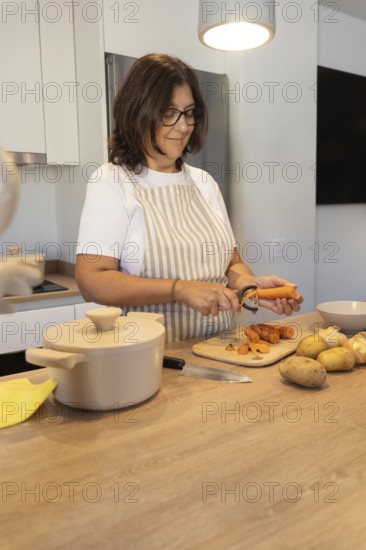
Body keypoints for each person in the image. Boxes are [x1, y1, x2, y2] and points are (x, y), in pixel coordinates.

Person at [76, 53, 303, 342]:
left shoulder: (204, 183)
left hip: (223, 348)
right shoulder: (111, 182)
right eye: (168, 112)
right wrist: (180, 289)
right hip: (154, 359)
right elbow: (91, 280)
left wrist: (249, 286)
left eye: (189, 112)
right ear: (138, 111)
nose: (183, 126)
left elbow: (230, 264)